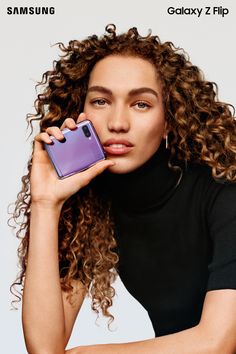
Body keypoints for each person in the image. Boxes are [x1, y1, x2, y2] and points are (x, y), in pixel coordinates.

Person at [9, 24, 236, 353]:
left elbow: (218, 342)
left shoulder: (224, 189)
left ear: (169, 119)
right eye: (101, 101)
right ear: (81, 113)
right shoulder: (91, 204)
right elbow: (44, 347)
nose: (118, 122)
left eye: (141, 104)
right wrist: (45, 204)